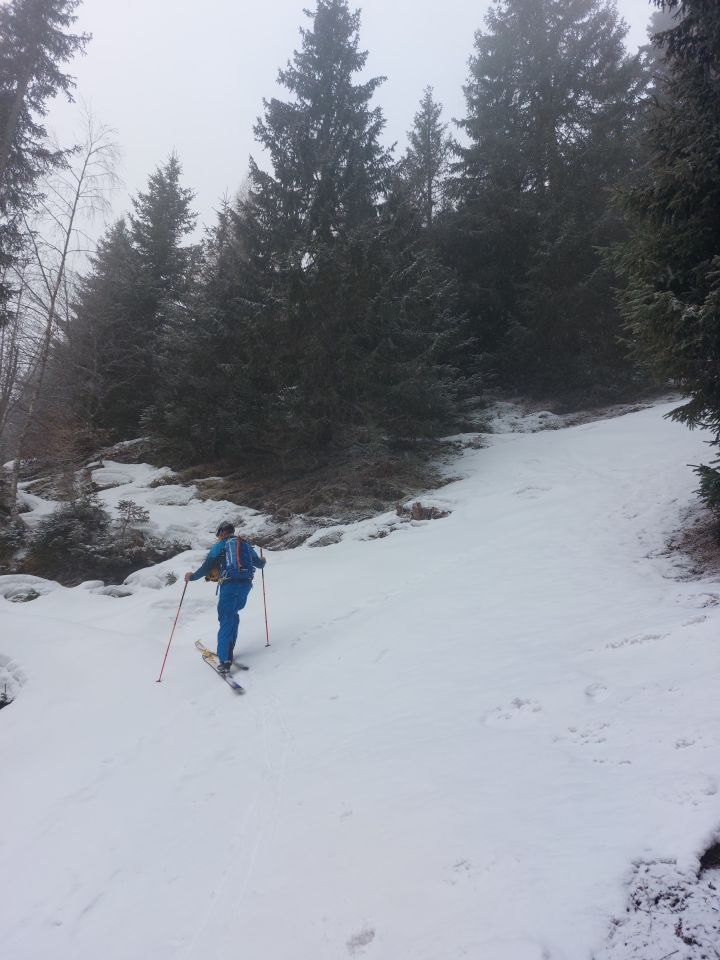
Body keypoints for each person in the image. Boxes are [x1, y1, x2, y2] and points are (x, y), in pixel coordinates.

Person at [184, 522, 266, 673]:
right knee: (233, 615)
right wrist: (263, 560)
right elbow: (259, 565)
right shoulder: (245, 545)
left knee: (226, 618)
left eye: (218, 534)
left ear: (222, 533)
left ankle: (225, 660)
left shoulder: (219, 546)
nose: (218, 537)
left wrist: (192, 577)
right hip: (246, 585)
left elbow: (206, 567)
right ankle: (229, 650)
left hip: (229, 586)